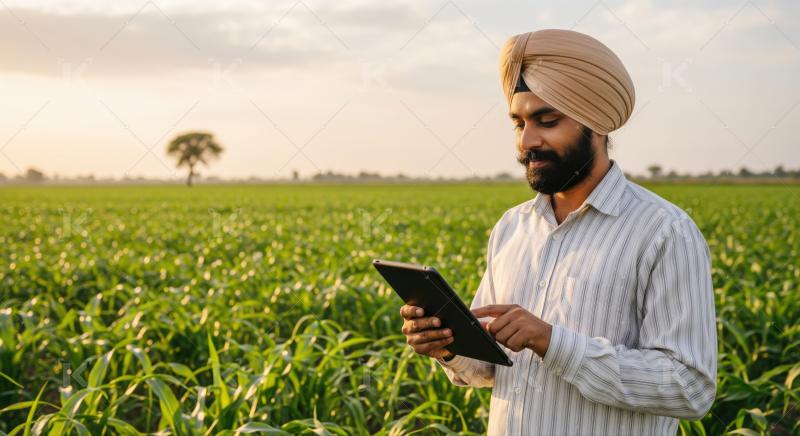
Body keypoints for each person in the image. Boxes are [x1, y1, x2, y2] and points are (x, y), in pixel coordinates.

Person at [399, 29, 717, 435]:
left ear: (597, 123)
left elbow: (689, 388)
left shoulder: (665, 233)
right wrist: (447, 346)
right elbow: (486, 371)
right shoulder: (512, 227)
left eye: (546, 121)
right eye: (518, 123)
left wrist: (553, 342)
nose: (527, 141)